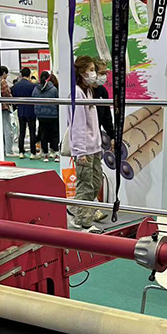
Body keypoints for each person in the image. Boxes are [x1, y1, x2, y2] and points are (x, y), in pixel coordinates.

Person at [70, 56, 107, 230]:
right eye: (91, 70)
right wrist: (80, 151)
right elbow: (77, 124)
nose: (94, 73)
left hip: (94, 146)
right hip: (84, 148)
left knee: (96, 183)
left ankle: (76, 209)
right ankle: (83, 222)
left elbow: (93, 120)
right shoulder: (77, 93)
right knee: (85, 185)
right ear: (81, 72)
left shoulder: (89, 91)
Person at [11, 67, 38, 158]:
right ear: (29, 74)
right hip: (31, 110)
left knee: (21, 132)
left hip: (21, 110)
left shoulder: (16, 86)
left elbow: (13, 96)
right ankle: (33, 153)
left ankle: (21, 152)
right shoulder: (32, 86)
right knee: (32, 132)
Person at [33, 71, 60, 161]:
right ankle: (56, 154)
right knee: (54, 134)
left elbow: (33, 98)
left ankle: (45, 155)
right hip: (52, 115)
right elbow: (57, 101)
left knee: (43, 135)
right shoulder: (53, 89)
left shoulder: (36, 88)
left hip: (41, 116)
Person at [93, 60, 114, 146]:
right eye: (102, 73)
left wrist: (112, 136)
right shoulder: (85, 91)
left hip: (97, 137)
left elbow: (107, 116)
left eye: (105, 73)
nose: (104, 76)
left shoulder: (102, 90)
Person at [0, 66, 16, 156]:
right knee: (7, 129)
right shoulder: (3, 82)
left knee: (0, 129)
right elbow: (7, 94)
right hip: (4, 107)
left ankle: (1, 150)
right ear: (4, 73)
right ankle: (9, 150)